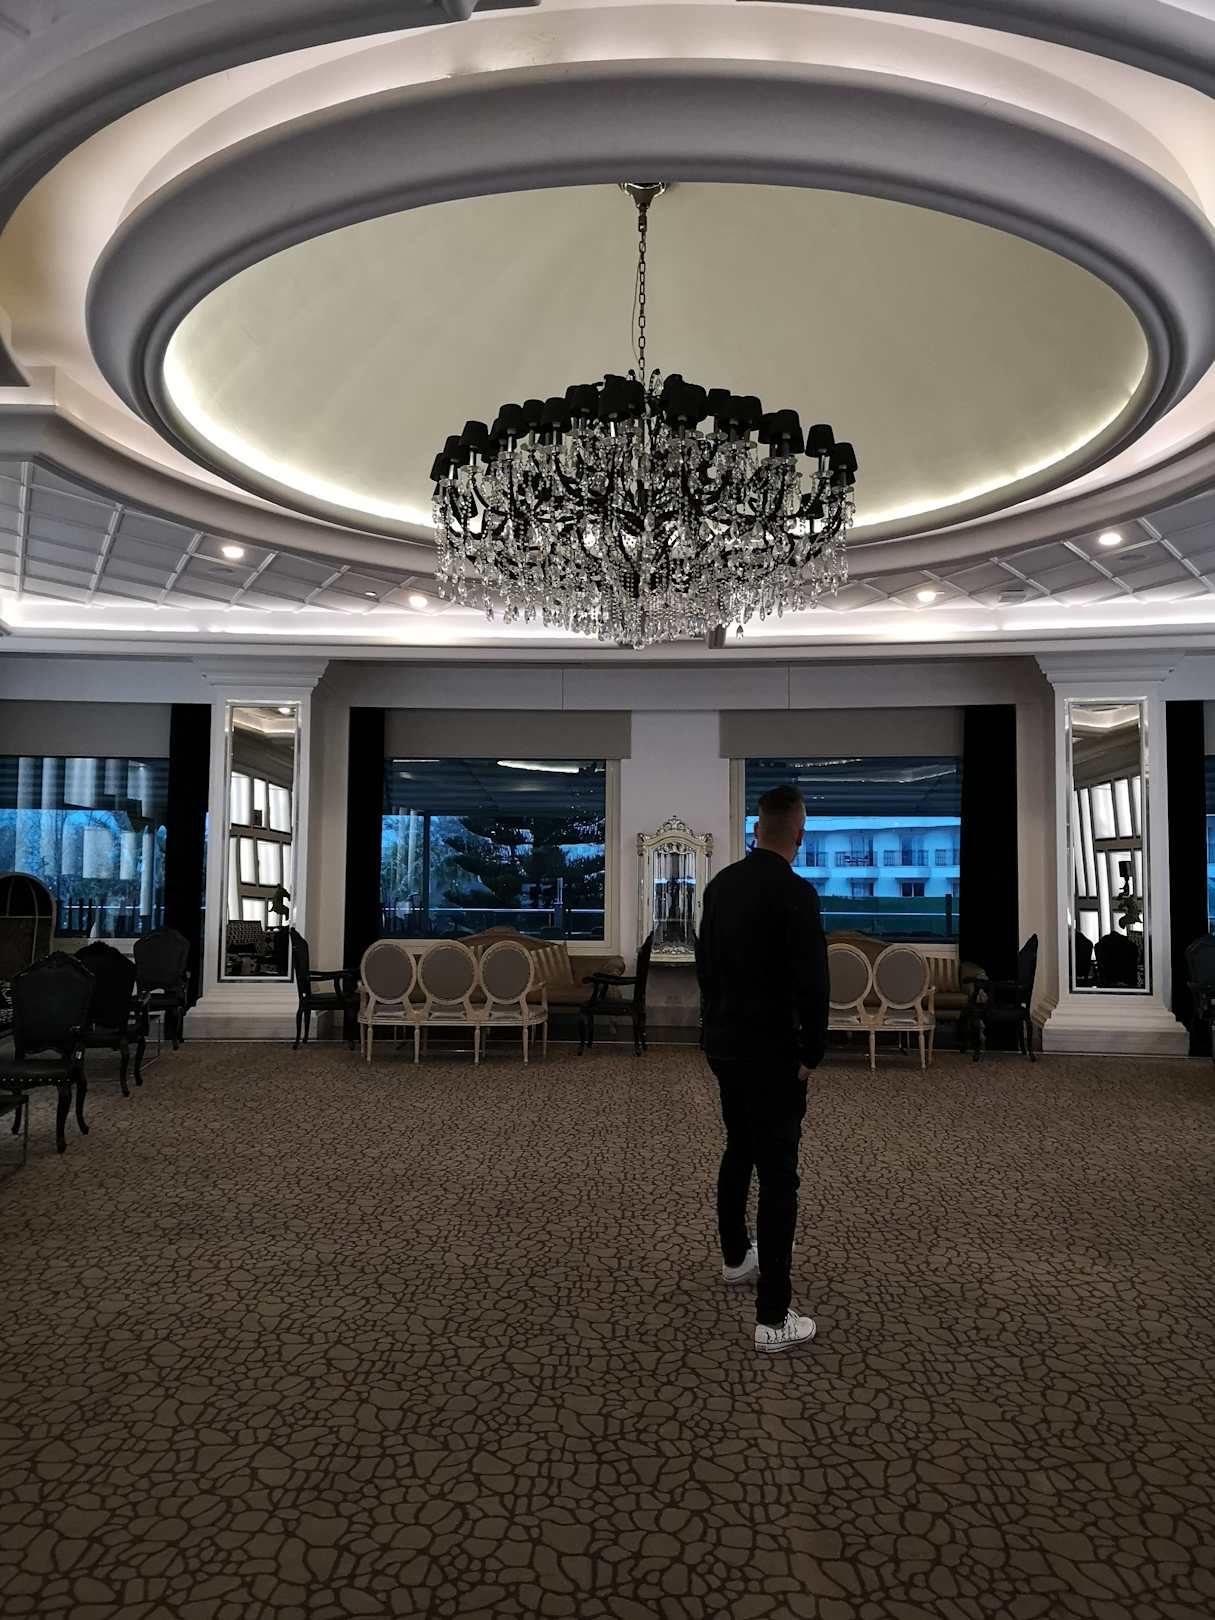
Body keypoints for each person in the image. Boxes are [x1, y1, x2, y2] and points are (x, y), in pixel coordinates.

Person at [696, 784, 829, 1354]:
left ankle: (735, 1257)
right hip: (774, 1053)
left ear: (757, 829)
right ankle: (774, 1318)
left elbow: (705, 969)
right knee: (779, 1176)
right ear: (799, 833)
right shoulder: (797, 893)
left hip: (725, 1045)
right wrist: (811, 1053)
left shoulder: (721, 886)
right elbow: (814, 983)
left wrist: (715, 1028)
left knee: (739, 1147)